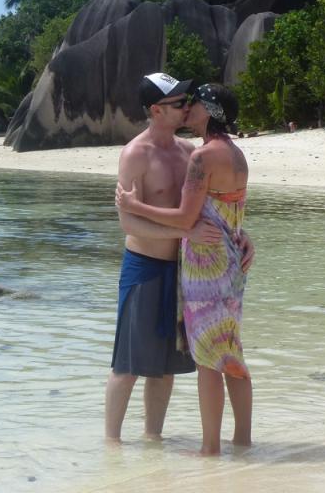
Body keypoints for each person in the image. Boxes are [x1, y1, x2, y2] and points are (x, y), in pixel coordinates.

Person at [105, 73, 253, 445]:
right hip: (145, 266)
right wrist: (184, 233)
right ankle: (111, 447)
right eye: (178, 102)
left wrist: (241, 235)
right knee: (128, 365)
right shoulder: (135, 154)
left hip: (186, 271)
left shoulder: (190, 153)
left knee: (164, 366)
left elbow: (212, 208)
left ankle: (152, 439)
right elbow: (128, 221)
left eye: (189, 100)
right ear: (156, 110)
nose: (186, 105)